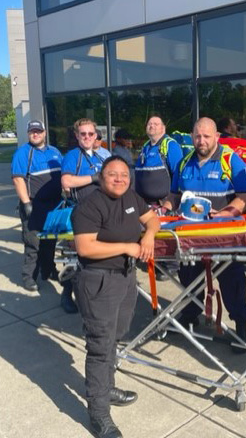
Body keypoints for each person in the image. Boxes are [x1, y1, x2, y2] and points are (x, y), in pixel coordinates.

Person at [72, 155, 158, 438]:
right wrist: (127, 247)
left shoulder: (131, 196)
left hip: (126, 278)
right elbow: (85, 248)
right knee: (100, 345)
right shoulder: (89, 206)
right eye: (113, 174)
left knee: (116, 335)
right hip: (98, 282)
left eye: (124, 174)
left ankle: (106, 389)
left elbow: (152, 219)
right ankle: (98, 414)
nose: (119, 179)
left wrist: (148, 237)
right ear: (101, 176)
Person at [163, 117, 246, 351]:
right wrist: (164, 208)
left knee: (232, 279)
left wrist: (225, 213)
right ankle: (191, 313)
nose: (201, 141)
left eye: (206, 136)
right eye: (197, 136)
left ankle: (241, 324)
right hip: (190, 235)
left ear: (216, 137)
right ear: (192, 137)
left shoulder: (232, 161)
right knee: (189, 276)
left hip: (224, 234)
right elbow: (174, 195)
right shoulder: (184, 163)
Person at [61, 118, 107, 312]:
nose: (87, 137)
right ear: (77, 136)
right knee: (76, 257)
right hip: (81, 214)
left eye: (90, 134)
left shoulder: (101, 157)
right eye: (83, 134)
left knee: (98, 258)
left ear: (96, 136)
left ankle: (95, 296)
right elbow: (66, 182)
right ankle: (66, 294)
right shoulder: (73, 156)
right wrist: (93, 178)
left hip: (103, 214)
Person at [11, 120, 62, 292]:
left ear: (44, 133)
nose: (36, 134)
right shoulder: (23, 153)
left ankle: (48, 271)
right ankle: (29, 277)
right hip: (33, 205)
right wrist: (26, 203)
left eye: (38, 131)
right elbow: (18, 179)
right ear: (28, 133)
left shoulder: (54, 152)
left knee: (50, 242)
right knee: (33, 244)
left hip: (54, 206)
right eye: (32, 131)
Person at [135, 114, 183, 206]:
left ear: (163, 128)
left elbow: (178, 175)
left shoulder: (170, 145)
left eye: (156, 124)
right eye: (149, 124)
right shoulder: (145, 147)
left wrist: (171, 202)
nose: (152, 126)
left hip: (162, 205)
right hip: (143, 204)